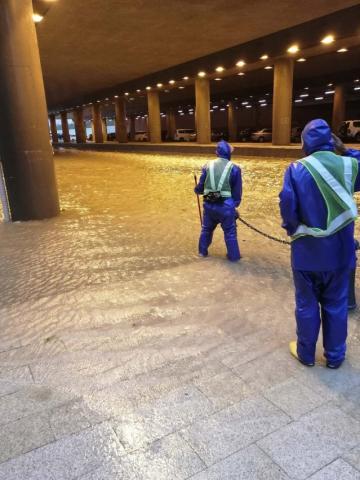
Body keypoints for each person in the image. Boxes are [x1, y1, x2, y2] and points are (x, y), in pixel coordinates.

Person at [279, 119, 360, 369]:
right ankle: (335, 357)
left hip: (307, 253)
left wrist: (293, 228)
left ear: (305, 142)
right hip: (341, 251)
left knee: (306, 304)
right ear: (330, 141)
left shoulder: (295, 169)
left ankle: (306, 354)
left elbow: (287, 206)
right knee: (336, 304)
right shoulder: (349, 165)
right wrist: (344, 149)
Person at [194, 140, 242, 261]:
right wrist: (234, 207)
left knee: (206, 229)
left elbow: (201, 187)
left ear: (217, 152)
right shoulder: (235, 168)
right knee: (230, 233)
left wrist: (197, 190)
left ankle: (202, 253)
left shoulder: (207, 166)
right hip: (226, 205)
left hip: (209, 202)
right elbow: (237, 192)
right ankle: (234, 258)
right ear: (229, 154)